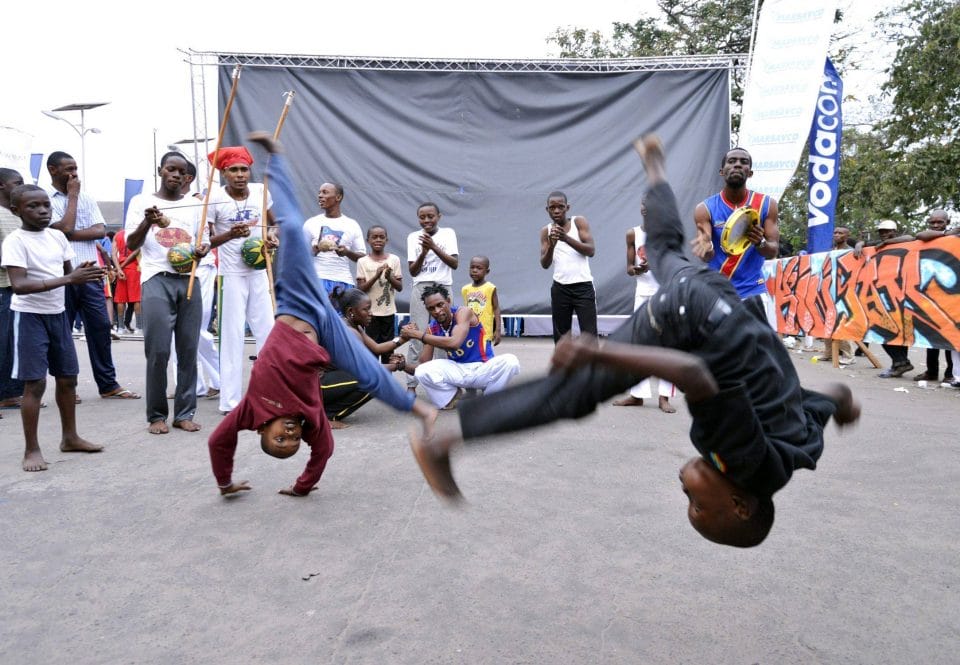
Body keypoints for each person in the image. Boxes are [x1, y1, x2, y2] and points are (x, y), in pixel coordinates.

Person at [410, 136, 860, 549]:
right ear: (742, 504)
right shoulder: (745, 464)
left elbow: (832, 397)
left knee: (664, 249)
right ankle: (444, 440)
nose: (686, 495)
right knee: (575, 392)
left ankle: (655, 169)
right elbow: (693, 375)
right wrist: (601, 351)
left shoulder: (797, 452)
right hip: (698, 320)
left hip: (723, 300)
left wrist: (844, 407)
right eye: (698, 505)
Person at [208, 133, 436, 498]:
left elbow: (218, 442)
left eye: (280, 438)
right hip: (327, 331)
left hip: (296, 305)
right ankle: (420, 411)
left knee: (294, 230)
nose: (291, 435)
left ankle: (276, 158)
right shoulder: (312, 419)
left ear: (262, 431)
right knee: (370, 373)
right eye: (293, 442)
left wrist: (225, 482)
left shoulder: (249, 412)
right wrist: (302, 486)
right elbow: (324, 451)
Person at [1, 184, 106, 470]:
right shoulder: (15, 241)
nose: (43, 211)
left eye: (46, 205)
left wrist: (85, 273)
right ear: (16, 210)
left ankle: (70, 438)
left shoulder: (57, 237)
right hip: (30, 317)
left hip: (58, 314)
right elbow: (20, 286)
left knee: (68, 379)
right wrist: (70, 279)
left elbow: (68, 274)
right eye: (33, 206)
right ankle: (31, 450)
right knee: (34, 384)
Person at [125, 152, 210, 434]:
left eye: (181, 172)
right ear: (160, 170)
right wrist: (148, 222)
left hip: (188, 280)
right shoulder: (141, 202)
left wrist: (201, 251)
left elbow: (204, 244)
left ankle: (184, 413)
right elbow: (131, 244)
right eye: (170, 169)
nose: (175, 175)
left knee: (188, 350)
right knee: (159, 350)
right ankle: (157, 415)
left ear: (187, 177)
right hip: (156, 279)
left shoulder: (195, 206)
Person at [46, 151, 139, 400]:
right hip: (62, 275)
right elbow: (62, 230)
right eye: (68, 169)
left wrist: (70, 230)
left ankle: (108, 384)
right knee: (62, 333)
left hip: (90, 274)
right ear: (53, 170)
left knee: (100, 327)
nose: (74, 174)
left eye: (75, 168)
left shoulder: (87, 198)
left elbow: (100, 231)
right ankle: (67, 388)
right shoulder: (44, 199)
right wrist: (72, 198)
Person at [207, 146, 275, 414]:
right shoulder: (214, 199)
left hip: (258, 272)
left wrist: (272, 236)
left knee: (268, 334)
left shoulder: (261, 192)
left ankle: (270, 395)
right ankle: (231, 401)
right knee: (231, 337)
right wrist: (229, 236)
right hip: (231, 276)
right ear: (224, 173)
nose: (239, 175)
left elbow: (274, 223)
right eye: (233, 170)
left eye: (243, 169)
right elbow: (205, 241)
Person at [692, 147, 780, 327]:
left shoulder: (766, 204)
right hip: (717, 291)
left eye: (743, 162)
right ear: (721, 171)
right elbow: (705, 253)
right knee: (718, 351)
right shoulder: (705, 209)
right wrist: (706, 248)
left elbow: (772, 251)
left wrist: (759, 242)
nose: (737, 165)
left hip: (753, 290)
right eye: (731, 162)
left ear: (750, 172)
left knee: (758, 351)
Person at [400, 285, 519, 410]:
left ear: (448, 301)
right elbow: (423, 365)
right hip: (459, 372)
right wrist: (402, 366)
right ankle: (451, 397)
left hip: (482, 368)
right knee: (423, 371)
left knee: (510, 361)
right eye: (431, 308)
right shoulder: (432, 328)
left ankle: (489, 398)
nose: (437, 310)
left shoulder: (463, 313)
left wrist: (418, 335)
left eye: (440, 305)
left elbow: (454, 343)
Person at [612, 200, 677, 413]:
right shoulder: (632, 234)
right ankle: (637, 395)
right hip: (642, 294)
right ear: (641, 208)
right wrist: (638, 270)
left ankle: (664, 397)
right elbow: (629, 268)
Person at [324, 286, 408, 428]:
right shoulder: (349, 332)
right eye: (366, 310)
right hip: (318, 384)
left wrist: (403, 339)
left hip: (329, 380)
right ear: (351, 312)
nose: (371, 314)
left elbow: (377, 348)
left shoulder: (355, 326)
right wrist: (397, 365)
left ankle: (325, 410)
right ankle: (327, 416)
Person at [406, 202, 459, 392]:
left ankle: (442, 384)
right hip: (421, 287)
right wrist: (424, 252)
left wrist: (434, 246)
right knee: (417, 333)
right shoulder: (413, 237)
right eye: (422, 217)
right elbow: (413, 271)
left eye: (430, 216)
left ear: (439, 217)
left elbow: (454, 263)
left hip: (443, 286)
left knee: (443, 334)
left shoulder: (448, 234)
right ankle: (411, 385)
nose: (426, 220)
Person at [854, 220, 915, 378]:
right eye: (881, 232)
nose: (884, 234)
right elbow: (863, 243)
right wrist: (860, 243)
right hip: (884, 294)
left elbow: (909, 237)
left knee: (893, 332)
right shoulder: (878, 244)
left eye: (887, 231)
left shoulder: (901, 241)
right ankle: (900, 363)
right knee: (885, 331)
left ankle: (901, 363)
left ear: (895, 231)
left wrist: (888, 242)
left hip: (903, 293)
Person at [540, 191, 597, 343]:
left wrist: (565, 238)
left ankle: (592, 367)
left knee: (589, 335)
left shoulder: (579, 222)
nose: (557, 211)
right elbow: (544, 264)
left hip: (583, 287)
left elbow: (591, 250)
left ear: (567, 208)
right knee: (561, 337)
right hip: (560, 288)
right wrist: (552, 246)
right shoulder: (546, 231)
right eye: (552, 208)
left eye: (561, 207)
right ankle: (563, 367)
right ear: (547, 210)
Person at [911, 209, 954, 383]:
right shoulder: (929, 238)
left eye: (940, 223)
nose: (935, 226)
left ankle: (951, 373)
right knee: (930, 336)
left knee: (950, 338)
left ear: (947, 222)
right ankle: (931, 371)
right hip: (928, 295)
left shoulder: (954, 239)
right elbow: (918, 235)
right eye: (933, 223)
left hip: (951, 296)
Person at [303, 181, 366, 298]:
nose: (320, 195)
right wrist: (313, 250)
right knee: (317, 316)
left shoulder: (351, 225)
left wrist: (347, 252)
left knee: (341, 317)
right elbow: (299, 253)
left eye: (325, 192)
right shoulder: (311, 223)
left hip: (342, 281)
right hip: (316, 280)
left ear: (338, 197)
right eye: (319, 192)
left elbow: (363, 257)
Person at [356, 224, 403, 362]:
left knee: (388, 351)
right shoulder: (362, 261)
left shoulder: (394, 260)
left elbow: (399, 287)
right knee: (371, 351)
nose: (378, 240)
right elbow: (360, 289)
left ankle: (386, 379)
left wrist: (390, 278)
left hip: (388, 312)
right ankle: (375, 380)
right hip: (369, 314)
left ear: (387, 240)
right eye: (374, 237)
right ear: (368, 240)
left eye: (382, 237)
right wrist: (376, 276)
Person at [0, 168, 27, 412]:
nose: (21, 187)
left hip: (15, 288)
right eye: (17, 183)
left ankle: (10, 393)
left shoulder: (15, 214)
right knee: (4, 342)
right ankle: (6, 393)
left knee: (12, 342)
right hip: (4, 286)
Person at [461, 255, 502, 346]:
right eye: (472, 267)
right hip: (469, 332)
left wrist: (498, 330)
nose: (474, 270)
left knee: (485, 357)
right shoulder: (465, 289)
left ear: (487, 271)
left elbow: (496, 309)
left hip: (485, 332)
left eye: (479, 268)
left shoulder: (490, 288)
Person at [112, 228, 141, 334]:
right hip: (134, 268)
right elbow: (135, 252)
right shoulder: (137, 233)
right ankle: (139, 327)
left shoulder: (118, 235)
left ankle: (120, 327)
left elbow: (114, 254)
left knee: (121, 299)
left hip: (121, 269)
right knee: (137, 298)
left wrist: (119, 269)